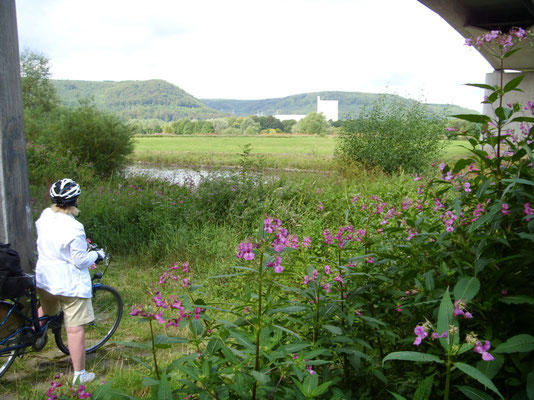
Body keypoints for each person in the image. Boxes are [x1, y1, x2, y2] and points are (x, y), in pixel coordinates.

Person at [35, 178, 105, 385]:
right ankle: (80, 375)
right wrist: (98, 255)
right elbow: (80, 260)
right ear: (75, 200)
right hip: (68, 284)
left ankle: (31, 337)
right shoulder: (75, 228)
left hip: (45, 278)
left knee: (45, 309)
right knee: (74, 328)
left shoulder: (45, 216)